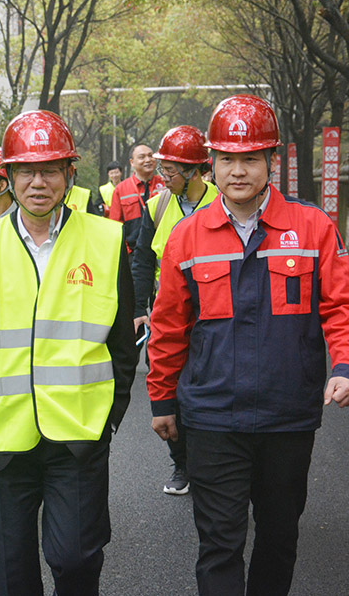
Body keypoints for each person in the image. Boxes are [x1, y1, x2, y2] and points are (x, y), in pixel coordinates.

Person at [147, 95, 349, 595]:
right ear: (211, 164)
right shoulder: (187, 237)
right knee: (219, 543)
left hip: (286, 417)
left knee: (278, 536)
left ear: (272, 160)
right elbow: (168, 327)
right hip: (212, 418)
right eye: (226, 159)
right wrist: (162, 399)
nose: (238, 171)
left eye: (250, 159)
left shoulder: (312, 227)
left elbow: (345, 308)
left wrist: (347, 368)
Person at [0, 110, 137, 596]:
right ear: (8, 176)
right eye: (26, 171)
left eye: (50, 170)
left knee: (76, 559)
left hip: (79, 432)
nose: (38, 182)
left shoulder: (105, 239)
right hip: (2, 433)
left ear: (69, 174)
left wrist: (110, 416)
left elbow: (121, 342)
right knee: (13, 571)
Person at [131, 125, 218, 497]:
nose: (162, 176)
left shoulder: (222, 202)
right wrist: (139, 307)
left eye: (169, 170)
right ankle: (181, 462)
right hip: (167, 316)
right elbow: (141, 260)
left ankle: (212, 464)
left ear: (194, 170)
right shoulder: (158, 205)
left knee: (209, 391)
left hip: (212, 317)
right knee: (169, 391)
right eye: (162, 169)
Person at [108, 144, 165, 254]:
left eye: (150, 156)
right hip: (134, 253)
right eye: (142, 157)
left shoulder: (165, 185)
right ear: (132, 162)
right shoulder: (121, 189)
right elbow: (115, 225)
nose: (148, 160)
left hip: (162, 251)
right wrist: (126, 252)